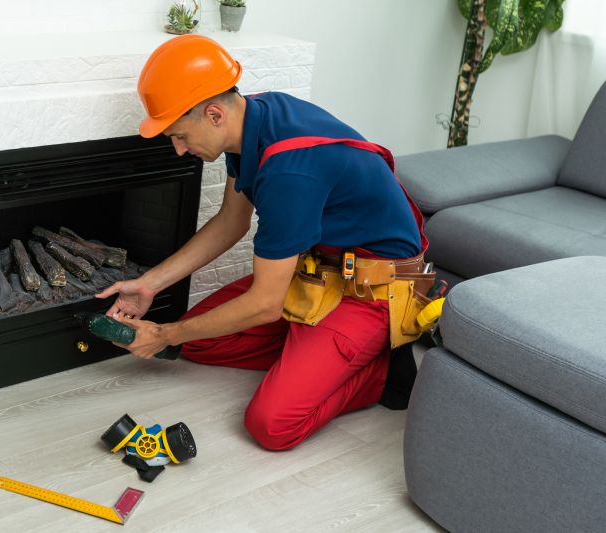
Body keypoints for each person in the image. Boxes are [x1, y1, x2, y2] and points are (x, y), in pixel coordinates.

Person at [96, 34, 427, 451]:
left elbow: (265, 303)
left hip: (373, 292)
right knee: (198, 341)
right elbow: (231, 222)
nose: (179, 150)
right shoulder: (253, 120)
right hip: (322, 272)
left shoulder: (290, 172)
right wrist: (150, 284)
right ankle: (312, 353)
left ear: (214, 114)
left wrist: (163, 335)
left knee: (272, 424)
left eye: (179, 135)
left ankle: (380, 374)